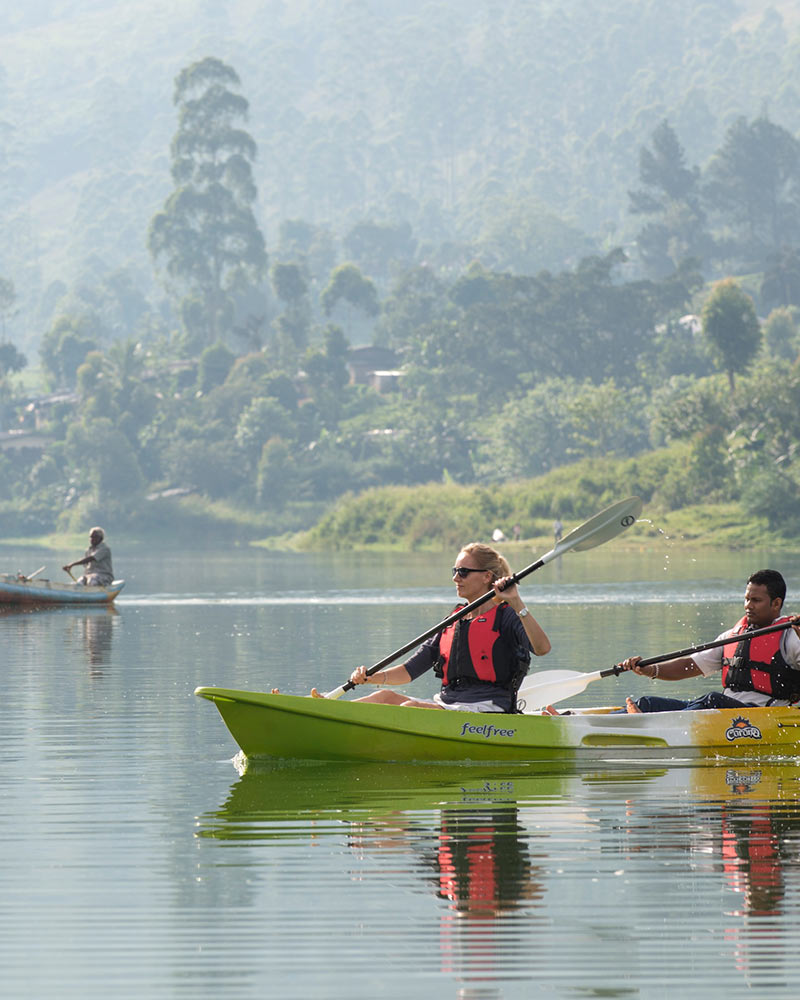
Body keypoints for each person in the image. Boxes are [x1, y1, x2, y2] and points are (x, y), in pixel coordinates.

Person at [314, 542, 551, 713]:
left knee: (411, 708)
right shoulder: (454, 620)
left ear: (487, 576)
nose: (456, 578)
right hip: (449, 705)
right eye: (455, 571)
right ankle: (327, 712)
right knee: (383, 697)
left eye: (463, 572)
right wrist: (369, 678)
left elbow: (542, 648)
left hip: (487, 709)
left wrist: (516, 601)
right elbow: (409, 671)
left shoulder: (506, 615)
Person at [621, 569, 800, 714]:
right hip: (724, 713)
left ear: (776, 604)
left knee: (712, 700)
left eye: (756, 600)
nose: (748, 605)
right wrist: (650, 670)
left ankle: (648, 722)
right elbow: (689, 666)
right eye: (746, 599)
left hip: (765, 717)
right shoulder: (733, 636)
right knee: (649, 703)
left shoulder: (791, 637)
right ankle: (624, 720)